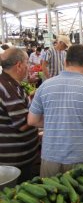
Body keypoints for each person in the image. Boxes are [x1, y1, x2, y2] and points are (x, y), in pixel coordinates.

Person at [28, 44, 83, 178]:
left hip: (51, 157)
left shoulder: (45, 86)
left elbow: (32, 120)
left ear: (65, 62)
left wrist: (56, 121)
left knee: (51, 196)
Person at [0, 47, 40, 183]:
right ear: (19, 65)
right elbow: (23, 124)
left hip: (17, 156)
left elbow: (14, 110)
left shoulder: (10, 84)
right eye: (27, 63)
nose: (28, 67)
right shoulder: (8, 88)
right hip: (15, 161)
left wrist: (30, 99)